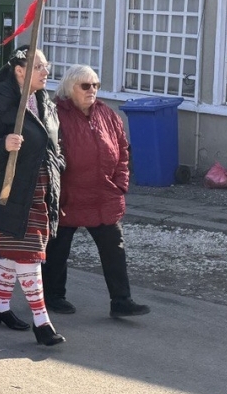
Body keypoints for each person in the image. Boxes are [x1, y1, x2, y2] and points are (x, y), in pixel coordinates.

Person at [0, 46, 66, 346]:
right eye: (39, 66)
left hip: (40, 189)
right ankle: (42, 322)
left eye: (46, 65)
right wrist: (4, 144)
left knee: (15, 253)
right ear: (19, 71)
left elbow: (54, 143)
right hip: (10, 191)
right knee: (28, 255)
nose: (46, 72)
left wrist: (58, 162)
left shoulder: (44, 102)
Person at [44, 65, 150, 318]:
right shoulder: (56, 114)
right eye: (85, 85)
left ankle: (121, 300)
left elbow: (123, 151)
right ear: (71, 88)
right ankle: (53, 297)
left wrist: (120, 184)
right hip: (68, 195)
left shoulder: (106, 114)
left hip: (103, 195)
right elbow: (46, 153)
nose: (92, 90)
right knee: (58, 250)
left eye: (96, 85)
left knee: (115, 248)